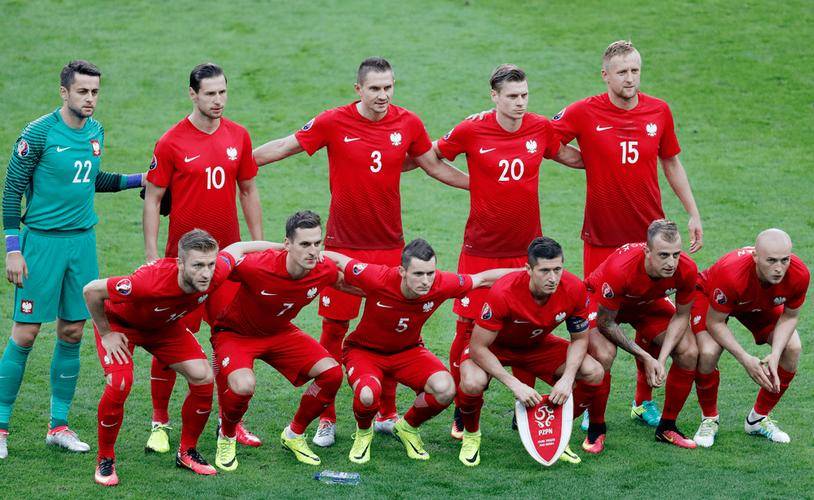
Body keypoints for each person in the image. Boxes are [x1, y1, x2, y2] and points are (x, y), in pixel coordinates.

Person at [252, 57, 469, 446]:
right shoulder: (333, 121)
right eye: (375, 88)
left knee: (390, 332)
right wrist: (235, 163)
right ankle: (326, 418)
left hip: (390, 247)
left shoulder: (409, 123)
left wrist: (482, 186)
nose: (383, 95)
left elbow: (434, 166)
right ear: (359, 89)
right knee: (334, 330)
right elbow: (285, 145)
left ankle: (386, 413)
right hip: (341, 247)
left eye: (388, 87)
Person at [418, 64, 583, 439]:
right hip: (481, 249)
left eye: (524, 95)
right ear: (494, 96)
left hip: (527, 252)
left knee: (529, 327)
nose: (520, 102)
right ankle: (463, 408)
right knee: (467, 329)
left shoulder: (540, 127)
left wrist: (608, 151)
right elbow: (431, 157)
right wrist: (472, 183)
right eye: (512, 96)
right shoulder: (471, 129)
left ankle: (523, 407)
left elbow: (570, 156)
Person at [551, 40, 704, 425]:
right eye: (622, 72)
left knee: (648, 321)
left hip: (649, 239)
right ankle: (591, 408)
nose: (630, 78)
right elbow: (549, 143)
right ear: (605, 75)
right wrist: (587, 160)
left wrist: (693, 212)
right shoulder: (584, 111)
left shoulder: (659, 110)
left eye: (635, 70)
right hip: (602, 241)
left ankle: (642, 401)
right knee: (601, 336)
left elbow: (671, 161)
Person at [0, 60, 144, 460]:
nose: (90, 98)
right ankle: (1, 427)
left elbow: (91, 179)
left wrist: (139, 180)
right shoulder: (38, 133)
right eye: (82, 91)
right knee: (25, 334)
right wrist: (13, 248)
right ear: (64, 92)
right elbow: (11, 191)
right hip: (41, 245)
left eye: (95, 92)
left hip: (82, 245)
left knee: (72, 333)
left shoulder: (96, 131)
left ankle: (58, 426)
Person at [83, 229, 272, 486]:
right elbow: (91, 290)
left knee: (203, 376)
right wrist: (106, 333)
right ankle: (105, 459)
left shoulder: (215, 273)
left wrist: (284, 248)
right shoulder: (148, 281)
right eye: (197, 266)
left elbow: (238, 248)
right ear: (181, 263)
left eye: (210, 264)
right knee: (120, 383)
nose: (206, 273)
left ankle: (187, 452)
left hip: (163, 327)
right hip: (121, 326)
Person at [142, 62, 263, 452]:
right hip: (182, 267)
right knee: (170, 342)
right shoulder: (171, 142)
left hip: (226, 263)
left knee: (231, 341)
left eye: (223, 92)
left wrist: (257, 246)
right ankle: (159, 423)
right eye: (210, 93)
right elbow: (153, 198)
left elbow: (248, 190)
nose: (218, 100)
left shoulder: (239, 136)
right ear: (192, 94)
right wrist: (151, 256)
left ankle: (230, 424)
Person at [321, 239, 514, 464]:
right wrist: (303, 255)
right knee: (367, 394)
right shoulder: (378, 277)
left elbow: (482, 279)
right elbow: (339, 260)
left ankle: (407, 427)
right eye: (418, 274)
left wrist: (527, 273)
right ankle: (364, 432)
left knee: (445, 388)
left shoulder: (441, 283)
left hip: (408, 352)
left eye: (430, 273)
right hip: (365, 351)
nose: (425, 281)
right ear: (402, 271)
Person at [211, 211, 353, 470]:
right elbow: (218, 265)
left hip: (279, 332)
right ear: (287, 244)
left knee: (332, 374)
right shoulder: (258, 265)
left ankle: (294, 434)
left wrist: (398, 293)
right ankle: (227, 435)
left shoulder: (323, 269)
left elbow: (349, 283)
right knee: (243, 386)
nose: (312, 251)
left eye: (317, 243)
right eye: (304, 244)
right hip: (236, 334)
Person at [457, 237, 603, 467]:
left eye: (557, 269)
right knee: (472, 382)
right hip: (495, 347)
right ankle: (471, 435)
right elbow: (478, 347)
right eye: (544, 271)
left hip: (536, 345)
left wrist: (567, 378)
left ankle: (556, 431)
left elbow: (579, 339)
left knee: (593, 372)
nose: (552, 278)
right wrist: (514, 384)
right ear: (528, 269)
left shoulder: (574, 288)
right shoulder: (504, 291)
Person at [584, 219, 699, 453]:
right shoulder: (621, 268)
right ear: (647, 251)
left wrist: (661, 359)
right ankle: (596, 428)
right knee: (603, 354)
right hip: (603, 303)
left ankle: (667, 427)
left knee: (689, 352)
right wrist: (646, 356)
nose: (671, 263)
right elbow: (606, 323)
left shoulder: (686, 268)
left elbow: (681, 316)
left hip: (647, 303)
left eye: (676, 254)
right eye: (663, 255)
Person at [690, 229, 808, 447]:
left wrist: (775, 354)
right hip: (711, 296)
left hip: (757, 302)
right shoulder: (731, 274)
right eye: (771, 260)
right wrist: (745, 359)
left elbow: (790, 317)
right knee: (708, 352)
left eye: (784, 260)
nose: (779, 268)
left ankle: (757, 419)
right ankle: (709, 418)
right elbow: (715, 323)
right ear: (755, 256)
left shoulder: (799, 274)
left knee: (792, 348)